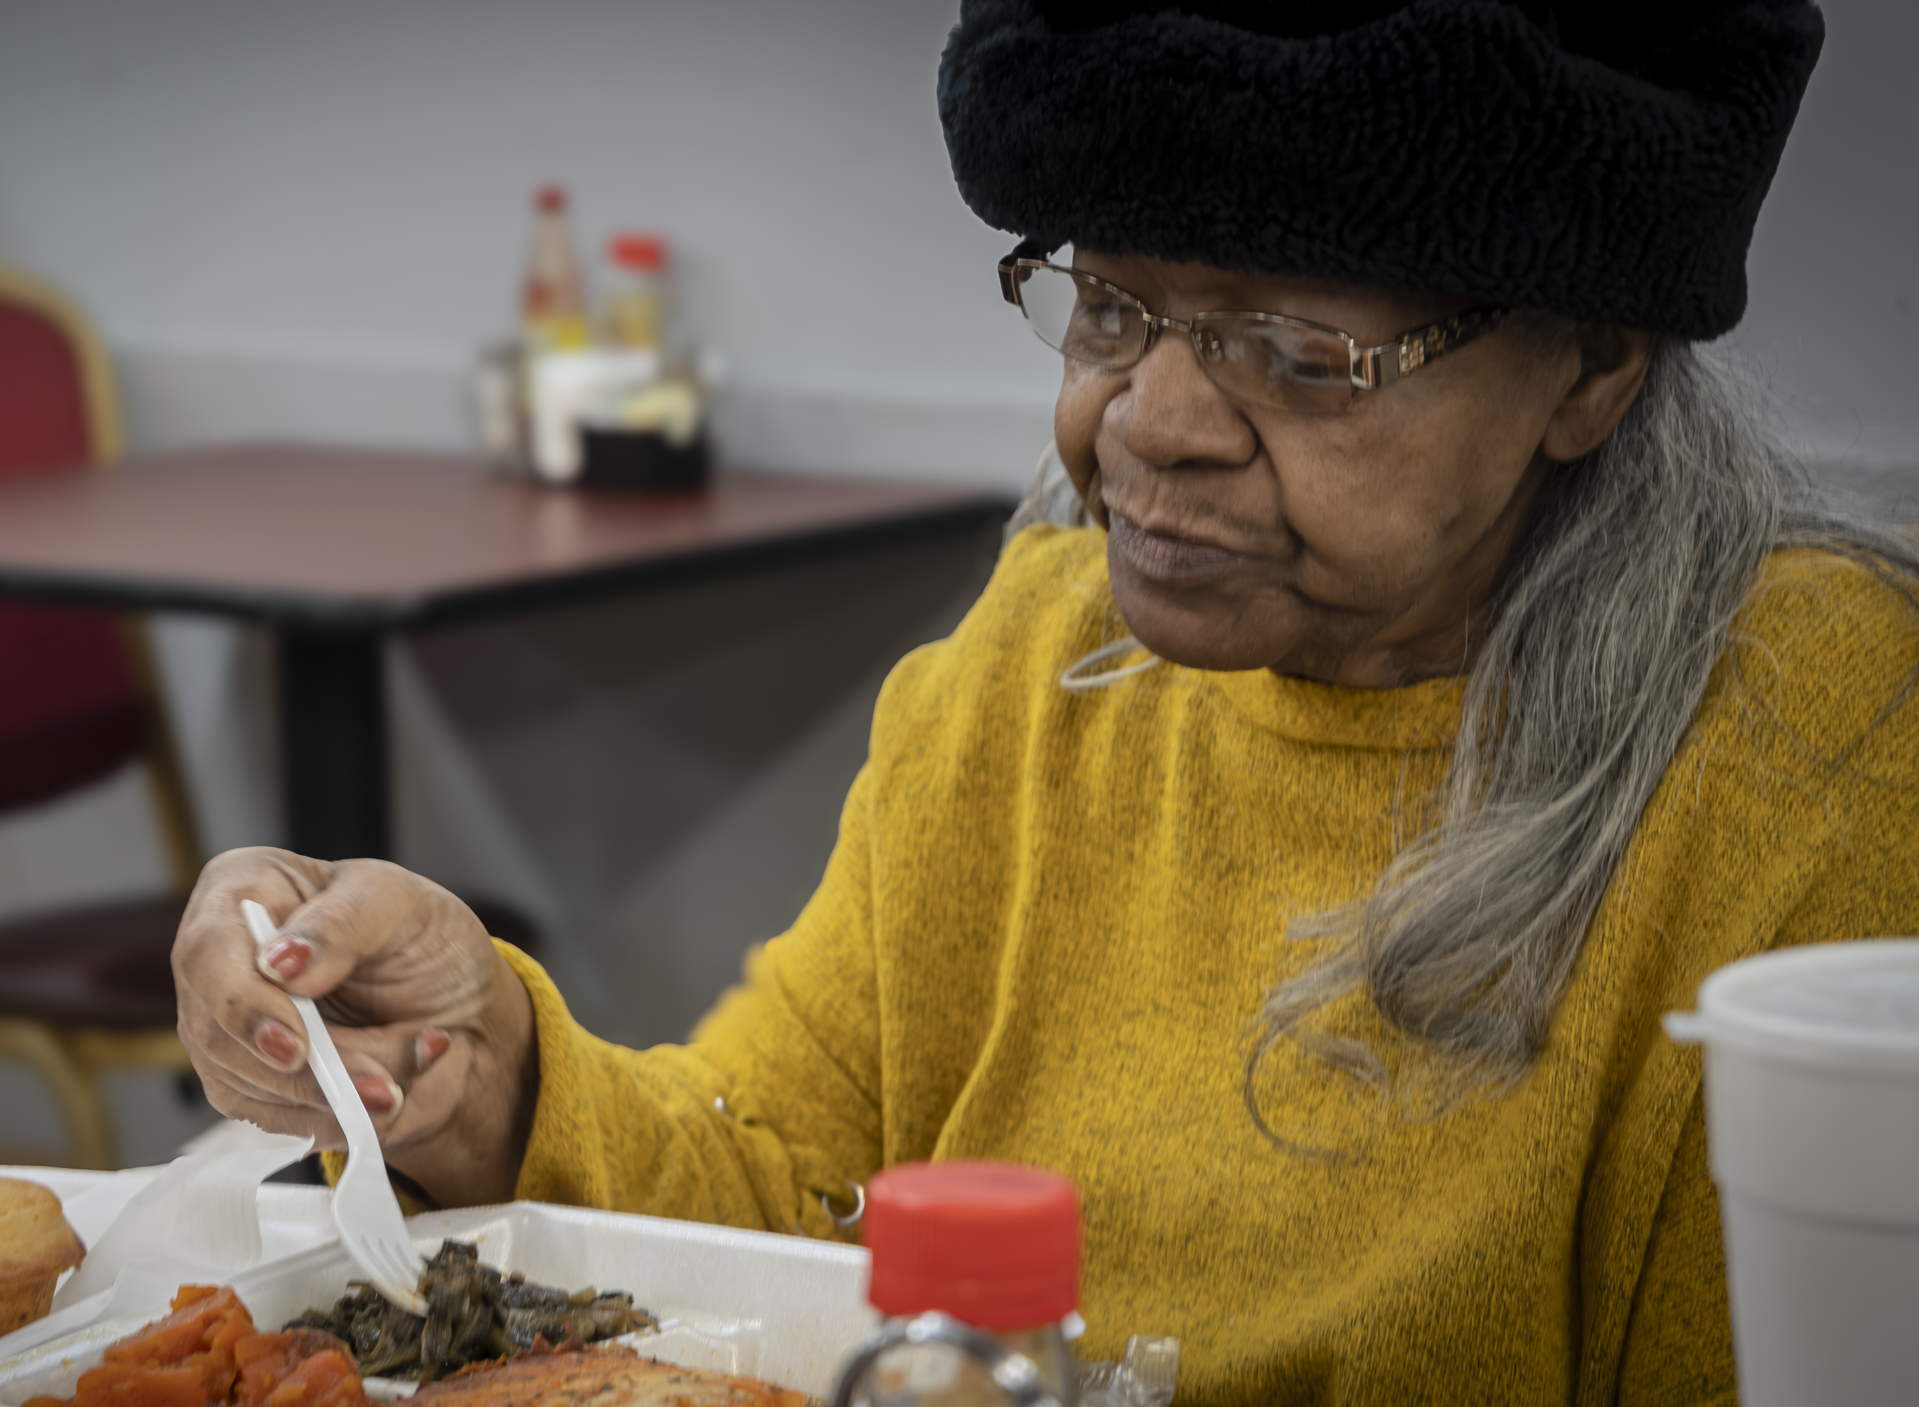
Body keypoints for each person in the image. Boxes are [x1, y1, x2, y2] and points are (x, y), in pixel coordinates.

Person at [172, 2, 1919, 1402]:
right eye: (1108, 305)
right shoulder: (1051, 647)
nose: (1145, 422)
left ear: (1594, 363)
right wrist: (477, 1073)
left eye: (1299, 353)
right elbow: (787, 1184)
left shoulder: (1817, 751)